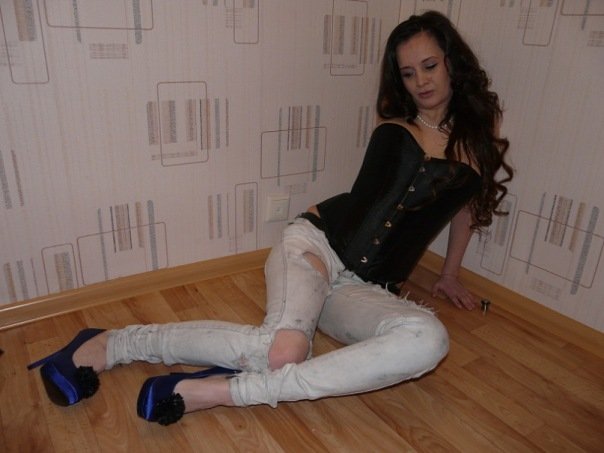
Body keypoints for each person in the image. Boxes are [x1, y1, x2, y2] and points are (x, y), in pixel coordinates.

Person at [28, 11, 513, 426]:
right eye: (407, 73)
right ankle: (115, 344)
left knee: (428, 338)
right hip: (317, 244)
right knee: (284, 352)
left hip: (367, 287)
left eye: (430, 66)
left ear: (452, 62)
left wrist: (450, 273)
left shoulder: (479, 136)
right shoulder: (397, 123)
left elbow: (465, 207)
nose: (421, 81)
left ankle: (230, 388)